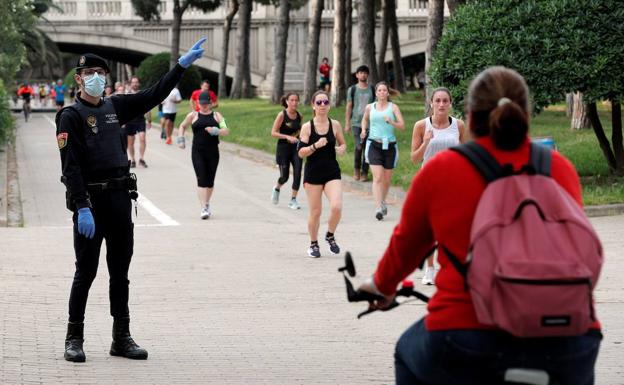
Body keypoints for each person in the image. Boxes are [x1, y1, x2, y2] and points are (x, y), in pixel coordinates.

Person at [357, 66, 601, 385]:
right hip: (568, 333)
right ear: (525, 115)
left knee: (406, 351)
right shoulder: (557, 168)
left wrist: (382, 287)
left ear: (469, 118)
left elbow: (405, 247)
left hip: (466, 332)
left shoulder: (443, 169)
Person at [55, 38, 206, 363]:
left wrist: (180, 66)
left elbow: (154, 94)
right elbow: (71, 167)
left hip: (121, 201)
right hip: (91, 205)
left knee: (120, 272)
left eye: (101, 73)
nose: (97, 78)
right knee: (86, 271)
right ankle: (73, 337)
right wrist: (81, 206)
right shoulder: (70, 116)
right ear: (79, 78)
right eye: (90, 73)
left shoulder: (115, 106)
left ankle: (121, 337)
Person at [410, 87, 467, 285]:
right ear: (431, 103)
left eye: (445, 101)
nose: (441, 104)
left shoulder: (458, 126)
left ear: (450, 103)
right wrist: (426, 142)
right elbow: (415, 159)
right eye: (438, 101)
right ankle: (430, 269)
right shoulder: (421, 126)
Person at [298, 90, 346, 258]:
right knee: (316, 212)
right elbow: (300, 152)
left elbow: (343, 144)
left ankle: (330, 235)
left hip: (332, 171)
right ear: (313, 105)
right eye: (319, 103)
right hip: (313, 174)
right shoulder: (307, 127)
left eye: (325, 102)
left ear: (329, 105)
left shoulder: (335, 125)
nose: (322, 105)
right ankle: (313, 244)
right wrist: (315, 146)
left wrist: (341, 149)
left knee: (336, 207)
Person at [177, 91, 229, 219]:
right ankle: (204, 208)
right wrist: (180, 139)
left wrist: (216, 131)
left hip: (213, 152)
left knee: (210, 181)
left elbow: (226, 130)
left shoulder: (217, 115)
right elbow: (182, 126)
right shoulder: (193, 115)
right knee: (201, 179)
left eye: (206, 104)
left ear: (211, 103)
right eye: (201, 104)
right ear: (197, 103)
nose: (204, 106)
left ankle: (207, 203)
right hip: (197, 152)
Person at [360, 81, 405, 221]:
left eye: (384, 90)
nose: (382, 93)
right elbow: (364, 120)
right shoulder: (370, 107)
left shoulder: (393, 107)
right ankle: (378, 206)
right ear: (376, 93)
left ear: (387, 92)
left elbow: (402, 126)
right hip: (374, 144)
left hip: (390, 146)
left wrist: (391, 122)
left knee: (386, 179)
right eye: (379, 90)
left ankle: (383, 201)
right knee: (378, 177)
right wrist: (363, 130)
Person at [270, 92, 303, 210]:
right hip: (283, 149)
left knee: (298, 172)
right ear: (287, 102)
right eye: (292, 100)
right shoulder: (282, 115)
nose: (294, 102)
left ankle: (293, 200)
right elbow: (273, 132)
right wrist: (287, 137)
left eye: (296, 100)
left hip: (296, 149)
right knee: (285, 177)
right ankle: (277, 187)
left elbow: (301, 131)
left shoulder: (299, 115)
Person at [345, 65, 375, 182]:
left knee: (367, 149)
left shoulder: (372, 89)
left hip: (370, 124)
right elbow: (349, 106)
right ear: (357, 75)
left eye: (365, 73)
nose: (363, 75)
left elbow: (376, 106)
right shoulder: (352, 89)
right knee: (359, 146)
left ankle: (364, 172)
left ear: (367, 75)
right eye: (360, 72)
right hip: (356, 123)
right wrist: (347, 123)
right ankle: (356, 169)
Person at [125, 76, 152, 168]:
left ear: (139, 84)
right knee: (131, 142)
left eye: (136, 82)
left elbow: (148, 107)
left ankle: (142, 158)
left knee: (142, 138)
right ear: (131, 84)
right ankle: (132, 159)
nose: (135, 84)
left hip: (140, 120)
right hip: (129, 121)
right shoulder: (127, 95)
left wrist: (149, 120)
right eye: (133, 82)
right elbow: (123, 108)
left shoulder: (142, 94)